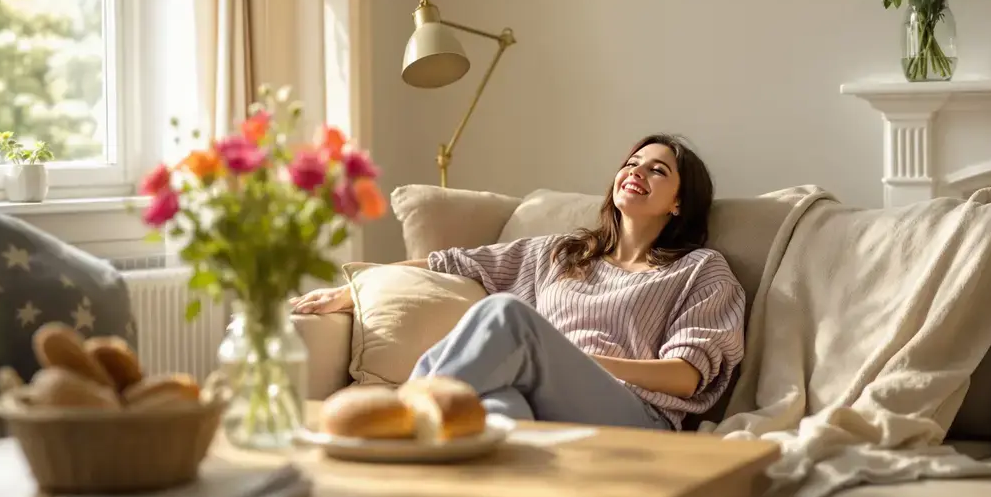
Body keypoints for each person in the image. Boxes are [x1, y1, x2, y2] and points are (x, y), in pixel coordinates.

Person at [292, 133, 746, 431]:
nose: (636, 172)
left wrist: (576, 360)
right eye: (632, 162)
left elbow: (686, 378)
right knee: (497, 411)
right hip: (544, 403)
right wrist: (356, 288)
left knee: (506, 314)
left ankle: (400, 419)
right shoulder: (564, 253)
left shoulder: (701, 269)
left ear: (680, 204)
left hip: (636, 415)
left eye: (657, 170)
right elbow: (452, 263)